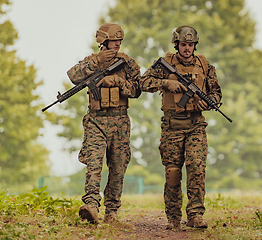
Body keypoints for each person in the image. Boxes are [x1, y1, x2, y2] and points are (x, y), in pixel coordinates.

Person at [140, 25, 222, 230]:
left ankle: (195, 215)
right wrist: (166, 83)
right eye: (184, 44)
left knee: (196, 167)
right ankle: (173, 217)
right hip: (172, 125)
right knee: (173, 172)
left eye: (191, 45)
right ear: (177, 44)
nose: (187, 48)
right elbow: (143, 83)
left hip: (195, 124)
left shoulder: (204, 65)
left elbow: (216, 93)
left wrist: (209, 102)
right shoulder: (165, 64)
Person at [67, 22, 141, 224]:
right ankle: (91, 205)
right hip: (95, 121)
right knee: (94, 163)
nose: (117, 44)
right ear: (104, 41)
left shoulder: (127, 63)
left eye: (119, 40)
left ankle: (112, 210)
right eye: (113, 40)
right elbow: (73, 76)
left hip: (119, 120)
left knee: (118, 166)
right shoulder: (93, 61)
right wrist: (96, 63)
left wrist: (118, 82)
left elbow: (137, 90)